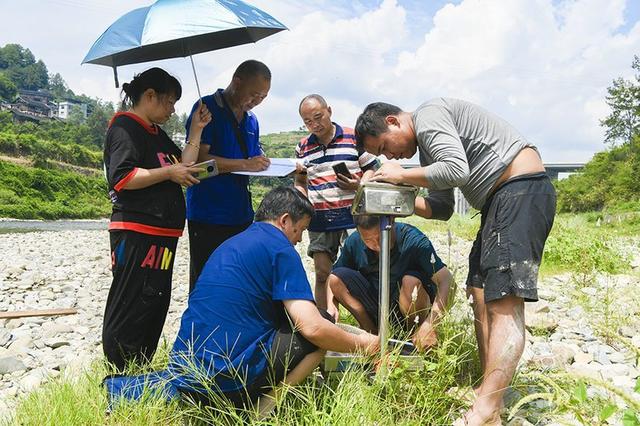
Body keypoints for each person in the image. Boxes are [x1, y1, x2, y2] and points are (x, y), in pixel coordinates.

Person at [354, 98, 556, 426]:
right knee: (479, 294)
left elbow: (456, 170)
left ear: (393, 121)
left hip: (519, 190)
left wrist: (401, 176)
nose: (389, 157)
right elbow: (442, 207)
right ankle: (489, 392)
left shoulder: (430, 115)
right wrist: (391, 192)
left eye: (384, 147)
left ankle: (487, 410)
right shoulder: (428, 150)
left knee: (504, 302)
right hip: (497, 202)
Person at [169, 187, 379, 415]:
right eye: (301, 230)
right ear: (285, 221)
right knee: (322, 327)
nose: (299, 239)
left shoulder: (232, 243)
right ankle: (261, 410)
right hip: (226, 380)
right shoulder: (280, 248)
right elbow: (313, 328)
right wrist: (366, 344)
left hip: (185, 374)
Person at [102, 67, 212, 371]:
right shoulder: (125, 127)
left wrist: (197, 131)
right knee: (132, 298)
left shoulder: (156, 133)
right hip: (137, 230)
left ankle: (141, 367)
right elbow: (122, 177)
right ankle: (119, 371)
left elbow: (183, 164)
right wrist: (168, 173)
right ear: (150, 96)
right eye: (170, 102)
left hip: (163, 233)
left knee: (155, 298)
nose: (172, 109)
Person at [185, 59, 272, 292]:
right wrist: (244, 164)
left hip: (240, 213)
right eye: (253, 95)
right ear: (237, 81)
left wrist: (263, 164)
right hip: (208, 214)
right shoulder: (206, 109)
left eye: (262, 98)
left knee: (238, 278)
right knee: (206, 277)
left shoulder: (252, 120)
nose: (255, 102)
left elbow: (252, 159)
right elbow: (198, 164)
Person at [294, 94, 378, 313]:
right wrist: (301, 201)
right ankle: (324, 320)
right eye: (308, 122)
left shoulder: (354, 137)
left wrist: (359, 184)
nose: (314, 124)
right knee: (322, 272)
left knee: (363, 267)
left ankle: (371, 316)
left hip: (355, 214)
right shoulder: (302, 147)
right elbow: (300, 180)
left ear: (329, 110)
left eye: (318, 117)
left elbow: (372, 167)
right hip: (319, 217)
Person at [327, 215, 454, 350]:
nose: (376, 245)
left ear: (391, 222)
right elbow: (333, 276)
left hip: (409, 308)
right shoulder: (354, 242)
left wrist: (431, 324)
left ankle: (416, 339)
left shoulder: (414, 240)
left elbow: (447, 280)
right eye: (368, 240)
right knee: (336, 279)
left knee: (410, 283)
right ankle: (372, 336)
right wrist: (331, 304)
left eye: (380, 238)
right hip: (377, 306)